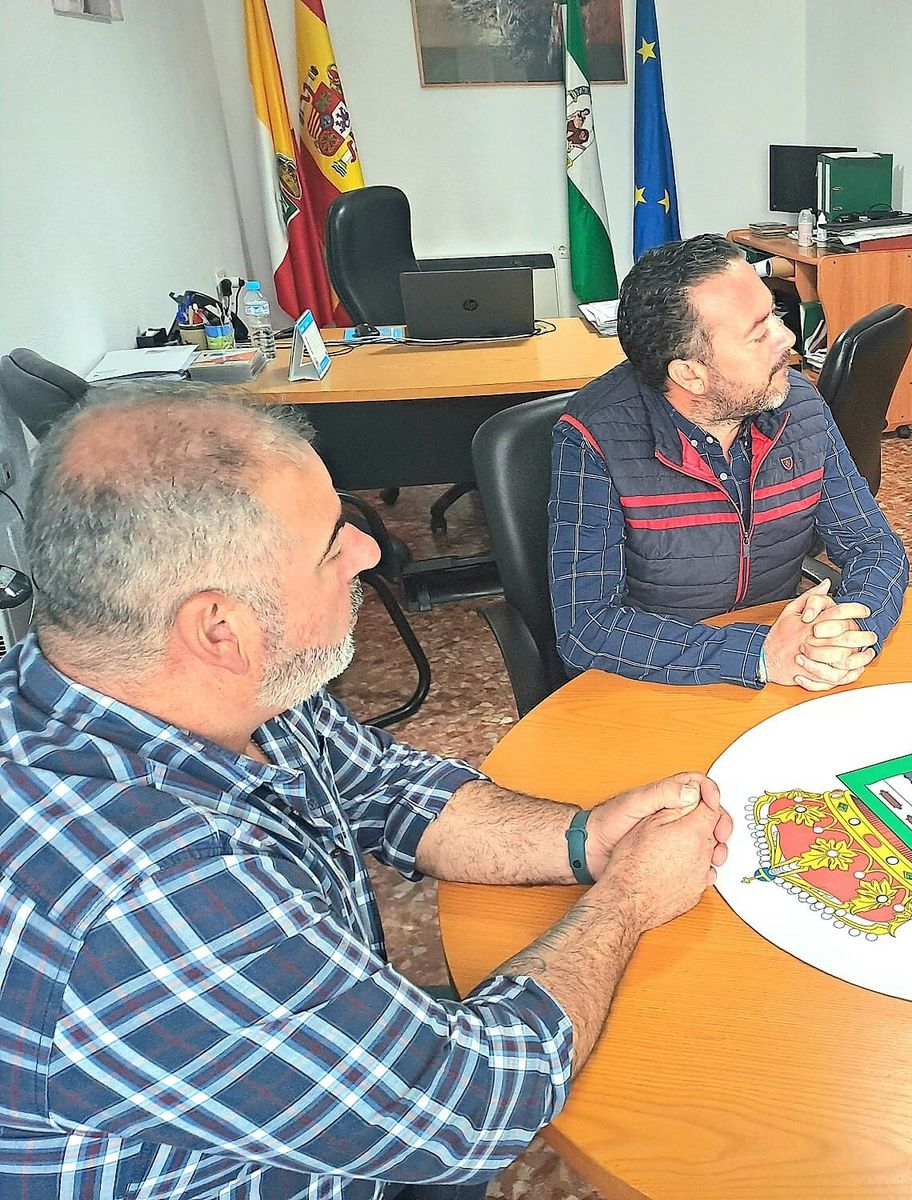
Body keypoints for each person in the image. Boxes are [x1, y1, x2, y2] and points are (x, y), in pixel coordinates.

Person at [0, 391, 732, 1199]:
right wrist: (627, 897)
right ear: (220, 630)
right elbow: (467, 1112)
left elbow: (385, 789)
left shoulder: (212, 684)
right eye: (329, 548)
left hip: (308, 1077)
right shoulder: (149, 891)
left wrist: (586, 838)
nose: (368, 553)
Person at [549, 233, 910, 690]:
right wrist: (757, 654)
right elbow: (587, 628)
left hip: (777, 668)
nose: (787, 337)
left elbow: (872, 544)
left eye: (774, 315)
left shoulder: (798, 405)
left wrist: (850, 630)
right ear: (690, 375)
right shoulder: (594, 437)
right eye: (758, 333)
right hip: (655, 680)